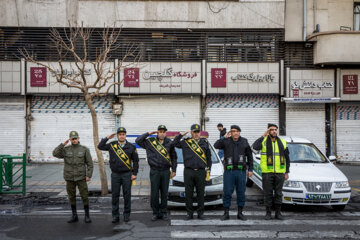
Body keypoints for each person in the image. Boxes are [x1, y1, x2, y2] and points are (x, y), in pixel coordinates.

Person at [98, 127, 139, 224]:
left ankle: (126, 215)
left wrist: (134, 173)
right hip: (115, 175)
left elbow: (136, 161)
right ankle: (115, 216)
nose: (121, 136)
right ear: (117, 136)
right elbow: (100, 146)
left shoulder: (131, 147)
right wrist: (107, 138)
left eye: (123, 134)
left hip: (127, 174)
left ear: (125, 135)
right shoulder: (112, 145)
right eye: (120, 134)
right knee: (115, 196)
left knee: (127, 195)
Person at [135, 125, 177, 221]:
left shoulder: (169, 143)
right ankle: (155, 212)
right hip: (154, 171)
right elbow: (138, 141)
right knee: (154, 193)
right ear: (157, 132)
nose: (162, 133)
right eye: (160, 131)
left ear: (165, 133)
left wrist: (174, 170)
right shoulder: (150, 142)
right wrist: (148, 133)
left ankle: (163, 212)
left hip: (166, 171)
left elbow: (174, 157)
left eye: (163, 132)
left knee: (164, 192)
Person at [172, 124, 212, 220]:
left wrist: (208, 170)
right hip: (188, 171)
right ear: (191, 132)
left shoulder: (205, 143)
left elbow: (209, 158)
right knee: (188, 193)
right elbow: (174, 143)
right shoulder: (186, 142)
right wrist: (181, 134)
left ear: (200, 133)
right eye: (194, 132)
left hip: (201, 171)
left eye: (198, 132)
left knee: (200, 193)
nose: (196, 134)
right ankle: (189, 213)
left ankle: (200, 213)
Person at [214, 125, 253, 221]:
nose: (235, 133)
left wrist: (251, 169)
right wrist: (224, 137)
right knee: (227, 192)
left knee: (241, 193)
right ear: (230, 132)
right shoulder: (226, 141)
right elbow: (216, 145)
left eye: (237, 131)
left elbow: (250, 156)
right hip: (229, 172)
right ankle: (226, 213)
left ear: (239, 132)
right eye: (233, 131)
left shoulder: (244, 141)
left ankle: (240, 213)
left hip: (241, 172)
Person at [52, 131, 93, 223]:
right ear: (70, 139)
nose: (74, 140)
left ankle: (87, 216)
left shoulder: (84, 149)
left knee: (84, 196)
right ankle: (74, 216)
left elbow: (90, 164)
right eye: (72, 138)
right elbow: (55, 154)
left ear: (78, 138)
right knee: (71, 196)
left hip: (81, 177)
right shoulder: (66, 149)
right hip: (69, 177)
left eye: (76, 138)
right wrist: (62, 144)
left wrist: (89, 175)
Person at [252, 123, 290, 220]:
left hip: (279, 173)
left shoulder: (282, 142)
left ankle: (278, 213)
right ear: (268, 131)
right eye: (272, 129)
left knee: (278, 193)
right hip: (267, 173)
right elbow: (254, 147)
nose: (274, 131)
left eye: (275, 129)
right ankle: (268, 213)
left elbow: (287, 158)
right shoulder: (264, 141)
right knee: (268, 193)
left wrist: (286, 172)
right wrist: (263, 135)